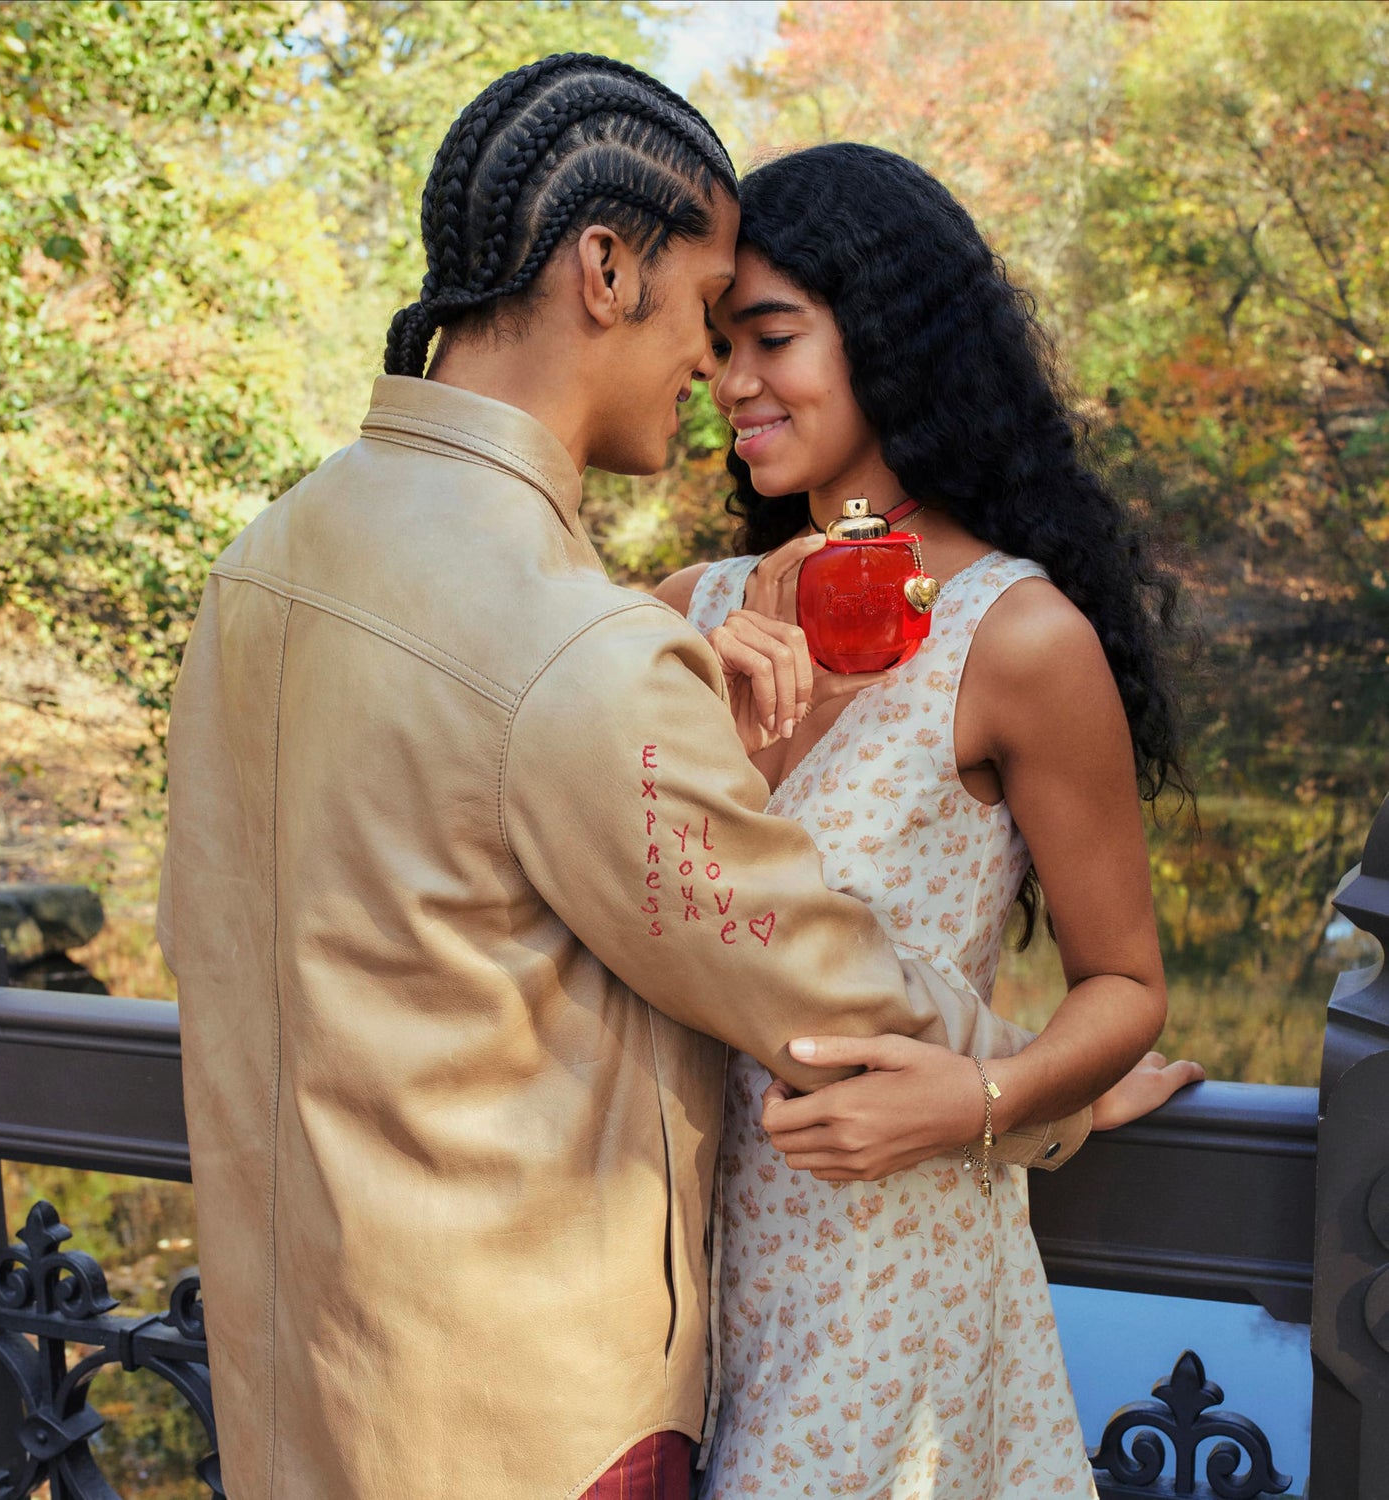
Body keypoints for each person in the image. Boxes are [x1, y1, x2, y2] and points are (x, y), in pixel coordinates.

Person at [160, 60, 1149, 1500]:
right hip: (538, 1399)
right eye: (707, 317)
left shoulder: (261, 562)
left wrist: (1021, 1078)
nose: (714, 370)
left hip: (323, 1373)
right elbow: (789, 961)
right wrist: (1043, 1094)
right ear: (606, 270)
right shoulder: (602, 634)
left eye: (765, 334)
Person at [657, 142, 1203, 1497]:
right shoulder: (684, 615)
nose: (731, 382)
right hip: (660, 1298)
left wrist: (988, 1097)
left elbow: (1126, 983)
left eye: (771, 337)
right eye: (718, 346)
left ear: (891, 339)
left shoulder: (1013, 639)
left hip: (885, 1290)